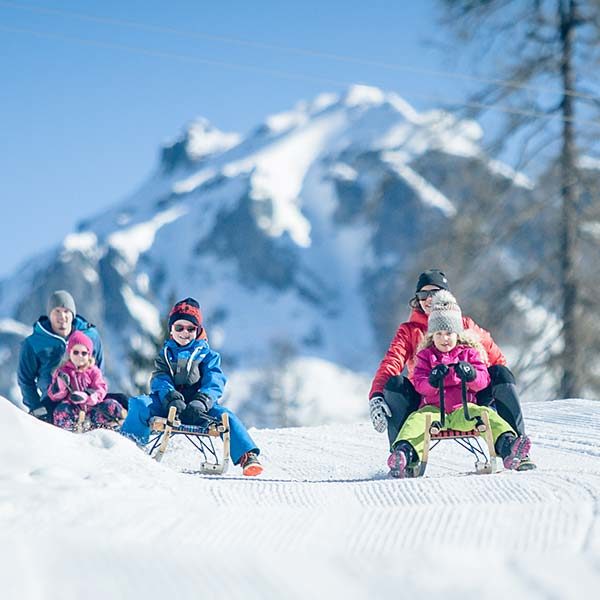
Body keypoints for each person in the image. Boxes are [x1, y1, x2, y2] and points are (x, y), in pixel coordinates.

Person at [369, 269, 528, 450]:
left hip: (468, 397)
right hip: (427, 399)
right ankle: (402, 455)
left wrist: (478, 378)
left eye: (434, 292)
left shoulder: (465, 326)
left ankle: (515, 446)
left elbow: (497, 359)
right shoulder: (410, 331)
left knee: (501, 372)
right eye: (423, 294)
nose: (429, 299)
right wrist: (377, 395)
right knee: (395, 384)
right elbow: (392, 362)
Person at [386, 291, 533, 477]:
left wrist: (471, 374)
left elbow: (483, 381)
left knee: (487, 415)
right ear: (432, 335)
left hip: (464, 410)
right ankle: (403, 454)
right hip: (432, 412)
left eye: (448, 333)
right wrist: (432, 380)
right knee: (414, 422)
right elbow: (419, 384)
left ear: (457, 333)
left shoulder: (469, 353)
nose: (444, 338)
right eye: (438, 333)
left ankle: (509, 446)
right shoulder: (425, 356)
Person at [120, 297, 263, 476]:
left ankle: (247, 456)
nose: (184, 332)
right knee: (139, 404)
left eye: (190, 328)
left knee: (227, 417)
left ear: (198, 330)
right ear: (171, 330)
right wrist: (170, 396)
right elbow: (160, 378)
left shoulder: (208, 355)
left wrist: (202, 401)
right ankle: (128, 446)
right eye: (179, 327)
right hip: (169, 405)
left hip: (199, 409)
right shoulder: (165, 354)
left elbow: (215, 380)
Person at [17, 290, 104, 421]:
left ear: (73, 314)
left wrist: (93, 393)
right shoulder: (34, 343)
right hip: (53, 401)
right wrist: (35, 407)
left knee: (121, 402)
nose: (62, 316)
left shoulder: (90, 335)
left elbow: (98, 366)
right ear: (49, 314)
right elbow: (25, 379)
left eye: (66, 311)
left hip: (87, 398)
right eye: (56, 311)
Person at [47, 330, 125, 431]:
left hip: (93, 409)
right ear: (69, 353)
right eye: (76, 352)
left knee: (110, 405)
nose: (80, 356)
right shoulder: (62, 371)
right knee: (61, 410)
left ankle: (112, 425)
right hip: (73, 409)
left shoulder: (93, 371)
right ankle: (69, 430)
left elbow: (101, 388)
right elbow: (53, 396)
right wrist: (60, 387)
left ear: (89, 355)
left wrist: (88, 396)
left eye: (84, 353)